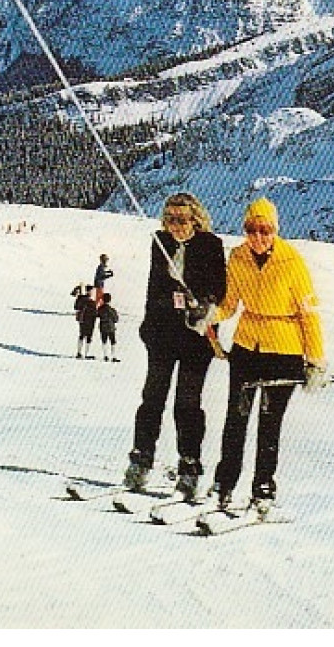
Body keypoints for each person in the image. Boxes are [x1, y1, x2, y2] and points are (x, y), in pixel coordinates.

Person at [212, 197, 325, 513]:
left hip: (284, 350)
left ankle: (263, 488)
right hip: (247, 347)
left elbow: (310, 314)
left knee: (269, 423)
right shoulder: (237, 258)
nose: (258, 237)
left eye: (265, 230)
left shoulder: (292, 263)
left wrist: (315, 359)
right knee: (236, 418)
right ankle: (224, 483)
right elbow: (229, 304)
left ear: (275, 230)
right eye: (251, 229)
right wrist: (209, 315)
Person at [125, 191, 227, 501]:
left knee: (187, 401)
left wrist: (205, 305)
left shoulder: (211, 245)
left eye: (181, 219)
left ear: (195, 219)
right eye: (169, 219)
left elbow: (220, 288)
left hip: (196, 336)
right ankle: (141, 459)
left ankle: (189, 467)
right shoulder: (160, 243)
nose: (175, 225)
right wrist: (147, 323)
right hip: (163, 332)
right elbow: (153, 285)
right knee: (152, 398)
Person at [73, 284, 98, 358]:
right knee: (88, 336)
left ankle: (79, 352)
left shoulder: (81, 298)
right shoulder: (90, 301)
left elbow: (76, 307)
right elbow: (94, 313)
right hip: (89, 320)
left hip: (82, 319)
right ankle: (86, 353)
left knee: (82, 335)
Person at [98, 292, 120, 362]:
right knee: (113, 341)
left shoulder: (100, 308)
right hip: (111, 327)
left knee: (104, 341)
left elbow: (97, 315)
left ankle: (105, 355)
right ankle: (113, 356)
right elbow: (116, 319)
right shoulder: (112, 309)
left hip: (103, 326)